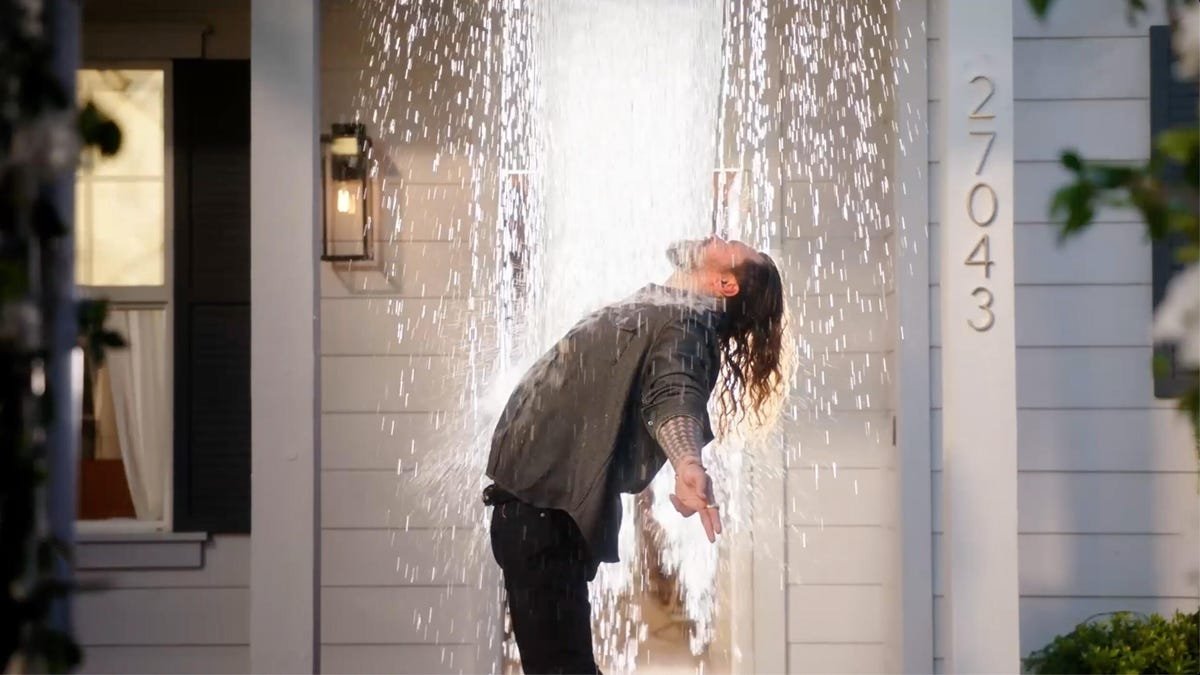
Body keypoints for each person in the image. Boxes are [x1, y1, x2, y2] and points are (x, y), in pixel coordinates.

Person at [484, 235, 786, 674]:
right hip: (536, 512)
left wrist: (687, 461)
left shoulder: (689, 325)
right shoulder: (667, 309)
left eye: (733, 246)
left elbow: (675, 393)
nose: (718, 236)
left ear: (726, 283)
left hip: (545, 516)